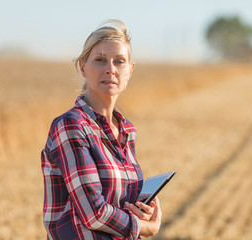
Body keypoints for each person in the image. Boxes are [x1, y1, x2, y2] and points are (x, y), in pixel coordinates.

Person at [41, 19, 162, 239]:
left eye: (119, 61)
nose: (110, 69)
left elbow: (119, 204)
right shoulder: (71, 126)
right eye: (100, 60)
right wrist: (145, 228)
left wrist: (143, 211)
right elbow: (94, 213)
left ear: (130, 70)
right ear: (83, 66)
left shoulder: (127, 130)